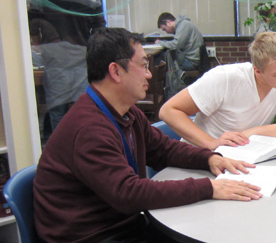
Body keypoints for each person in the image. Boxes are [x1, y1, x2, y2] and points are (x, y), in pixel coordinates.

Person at [33, 28, 262, 243]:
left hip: (123, 224)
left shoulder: (125, 112)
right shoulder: (88, 129)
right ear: (115, 71)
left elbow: (164, 150)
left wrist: (209, 158)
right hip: (93, 235)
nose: (150, 74)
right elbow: (129, 193)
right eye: (143, 65)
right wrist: (209, 188)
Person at [159, 32, 276, 150]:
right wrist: (210, 143)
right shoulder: (225, 78)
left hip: (239, 155)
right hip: (199, 156)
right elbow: (169, 111)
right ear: (258, 72)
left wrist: (255, 131)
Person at [29, 18, 89, 134]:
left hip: (58, 91)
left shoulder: (46, 49)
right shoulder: (82, 49)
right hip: (79, 89)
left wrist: (32, 44)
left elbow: (33, 60)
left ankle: (60, 145)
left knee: (57, 119)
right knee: (81, 117)